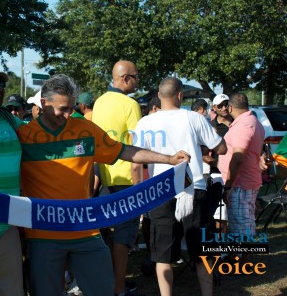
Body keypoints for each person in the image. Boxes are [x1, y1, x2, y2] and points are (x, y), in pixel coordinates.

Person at [18, 74, 190, 296]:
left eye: (71, 107)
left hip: (85, 229)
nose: (68, 114)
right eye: (62, 109)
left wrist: (168, 158)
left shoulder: (85, 129)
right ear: (43, 104)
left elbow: (124, 150)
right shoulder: (23, 136)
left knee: (103, 290)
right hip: (43, 233)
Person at [133, 77, 227, 296]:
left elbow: (136, 159)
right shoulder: (194, 118)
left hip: (160, 190)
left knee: (162, 252)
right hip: (193, 188)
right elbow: (219, 147)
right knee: (200, 249)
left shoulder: (145, 122)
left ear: (159, 95)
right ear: (180, 95)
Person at [92, 60, 142, 296]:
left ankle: (105, 283)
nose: (138, 81)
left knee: (103, 235)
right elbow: (136, 148)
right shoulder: (130, 104)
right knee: (123, 237)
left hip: (103, 178)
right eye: (136, 77)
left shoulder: (99, 102)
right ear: (125, 79)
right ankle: (119, 289)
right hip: (127, 179)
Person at [218, 93, 264, 264]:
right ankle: (239, 256)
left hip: (240, 182)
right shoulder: (252, 122)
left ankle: (243, 261)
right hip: (246, 180)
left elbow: (238, 157)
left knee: (241, 223)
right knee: (244, 221)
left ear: (230, 107)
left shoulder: (243, 125)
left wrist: (228, 186)